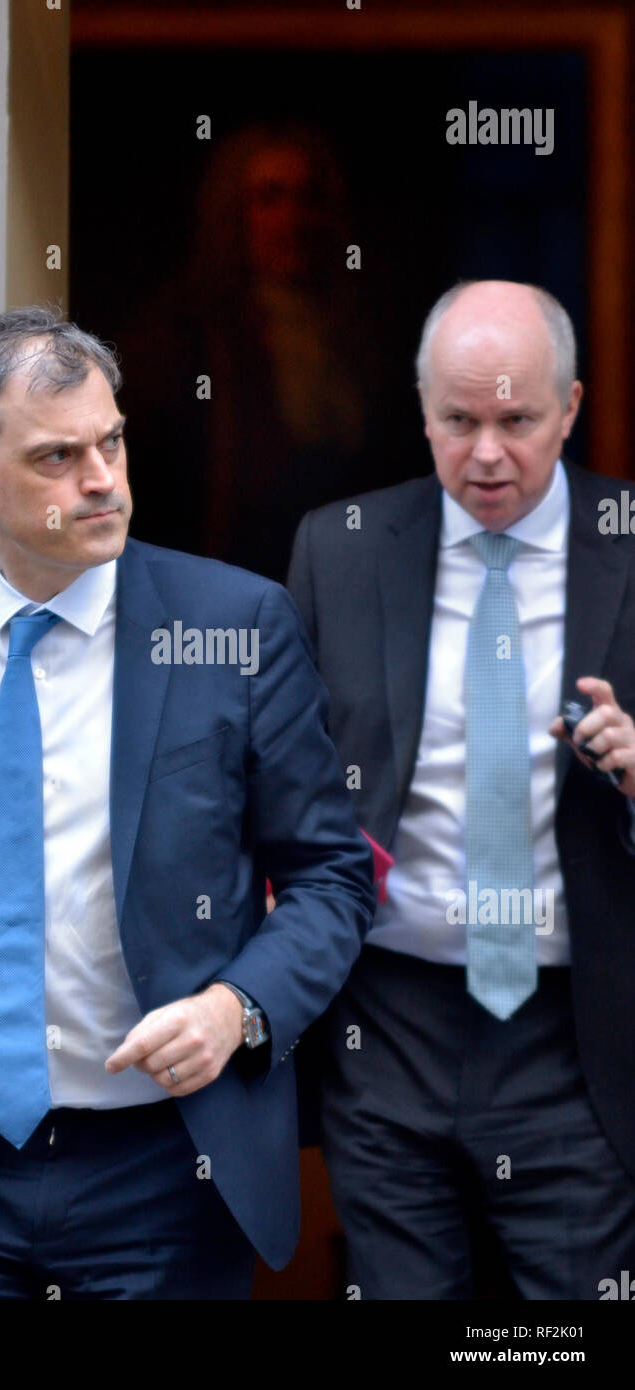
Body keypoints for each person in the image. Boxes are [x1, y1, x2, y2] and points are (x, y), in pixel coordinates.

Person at [0, 306, 375, 1300]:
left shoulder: (236, 625)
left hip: (166, 1171)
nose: (101, 479)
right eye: (57, 457)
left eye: (111, 441)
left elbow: (330, 876)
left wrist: (237, 1009)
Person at [288, 279, 635, 1300]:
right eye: (457, 421)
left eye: (516, 420)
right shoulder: (337, 550)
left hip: (576, 1031)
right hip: (388, 1022)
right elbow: (278, 781)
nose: (485, 454)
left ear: (569, 405)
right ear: (419, 408)